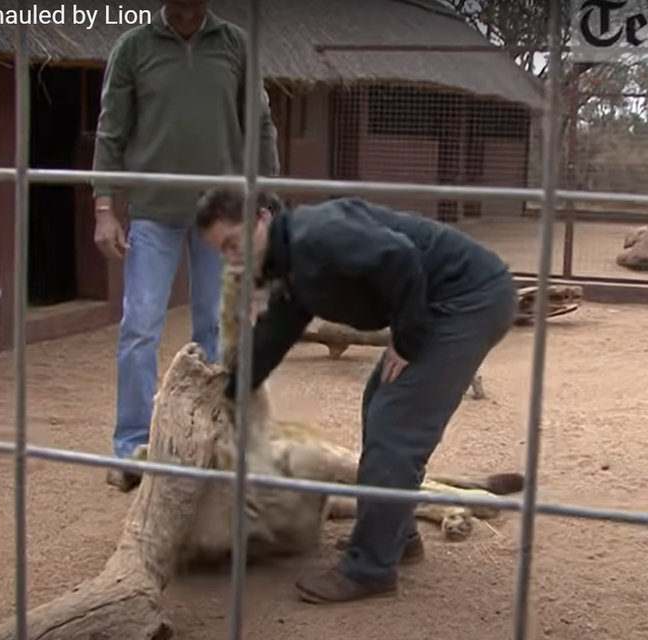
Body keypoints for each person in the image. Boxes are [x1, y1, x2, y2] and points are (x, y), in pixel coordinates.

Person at [194, 189, 517, 604]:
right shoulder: (294, 264)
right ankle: (397, 537)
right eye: (222, 252)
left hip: (469, 299)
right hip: (444, 300)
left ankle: (370, 569)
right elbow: (276, 331)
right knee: (379, 403)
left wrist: (407, 337)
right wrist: (228, 393)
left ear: (260, 218)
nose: (232, 259)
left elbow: (399, 257)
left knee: (395, 424)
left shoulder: (316, 234)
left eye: (233, 244)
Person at [91, 0, 280, 487]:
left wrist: (265, 201)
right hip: (154, 210)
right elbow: (111, 129)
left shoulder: (236, 45)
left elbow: (260, 125)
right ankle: (131, 447)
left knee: (216, 328)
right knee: (139, 327)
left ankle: (213, 443)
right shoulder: (133, 47)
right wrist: (104, 208)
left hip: (222, 211)